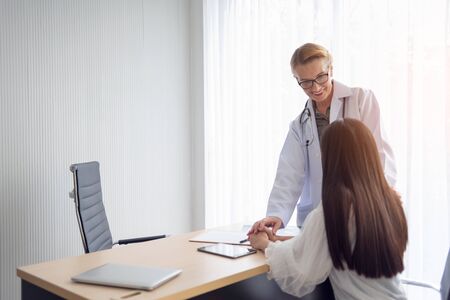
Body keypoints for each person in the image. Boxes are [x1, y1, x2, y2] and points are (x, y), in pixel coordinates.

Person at [249, 119, 408, 300]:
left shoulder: (337, 207)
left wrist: (265, 245)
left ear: (331, 157)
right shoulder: (390, 200)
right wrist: (280, 240)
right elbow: (339, 243)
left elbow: (303, 274)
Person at [249, 43, 396, 234]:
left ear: (331, 69)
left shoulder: (360, 100)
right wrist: (276, 214)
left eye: (320, 77)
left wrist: (377, 200)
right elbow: (289, 173)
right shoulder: (300, 124)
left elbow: (380, 155)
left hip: (362, 213)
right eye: (306, 82)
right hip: (317, 221)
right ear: (297, 80)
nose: (315, 87)